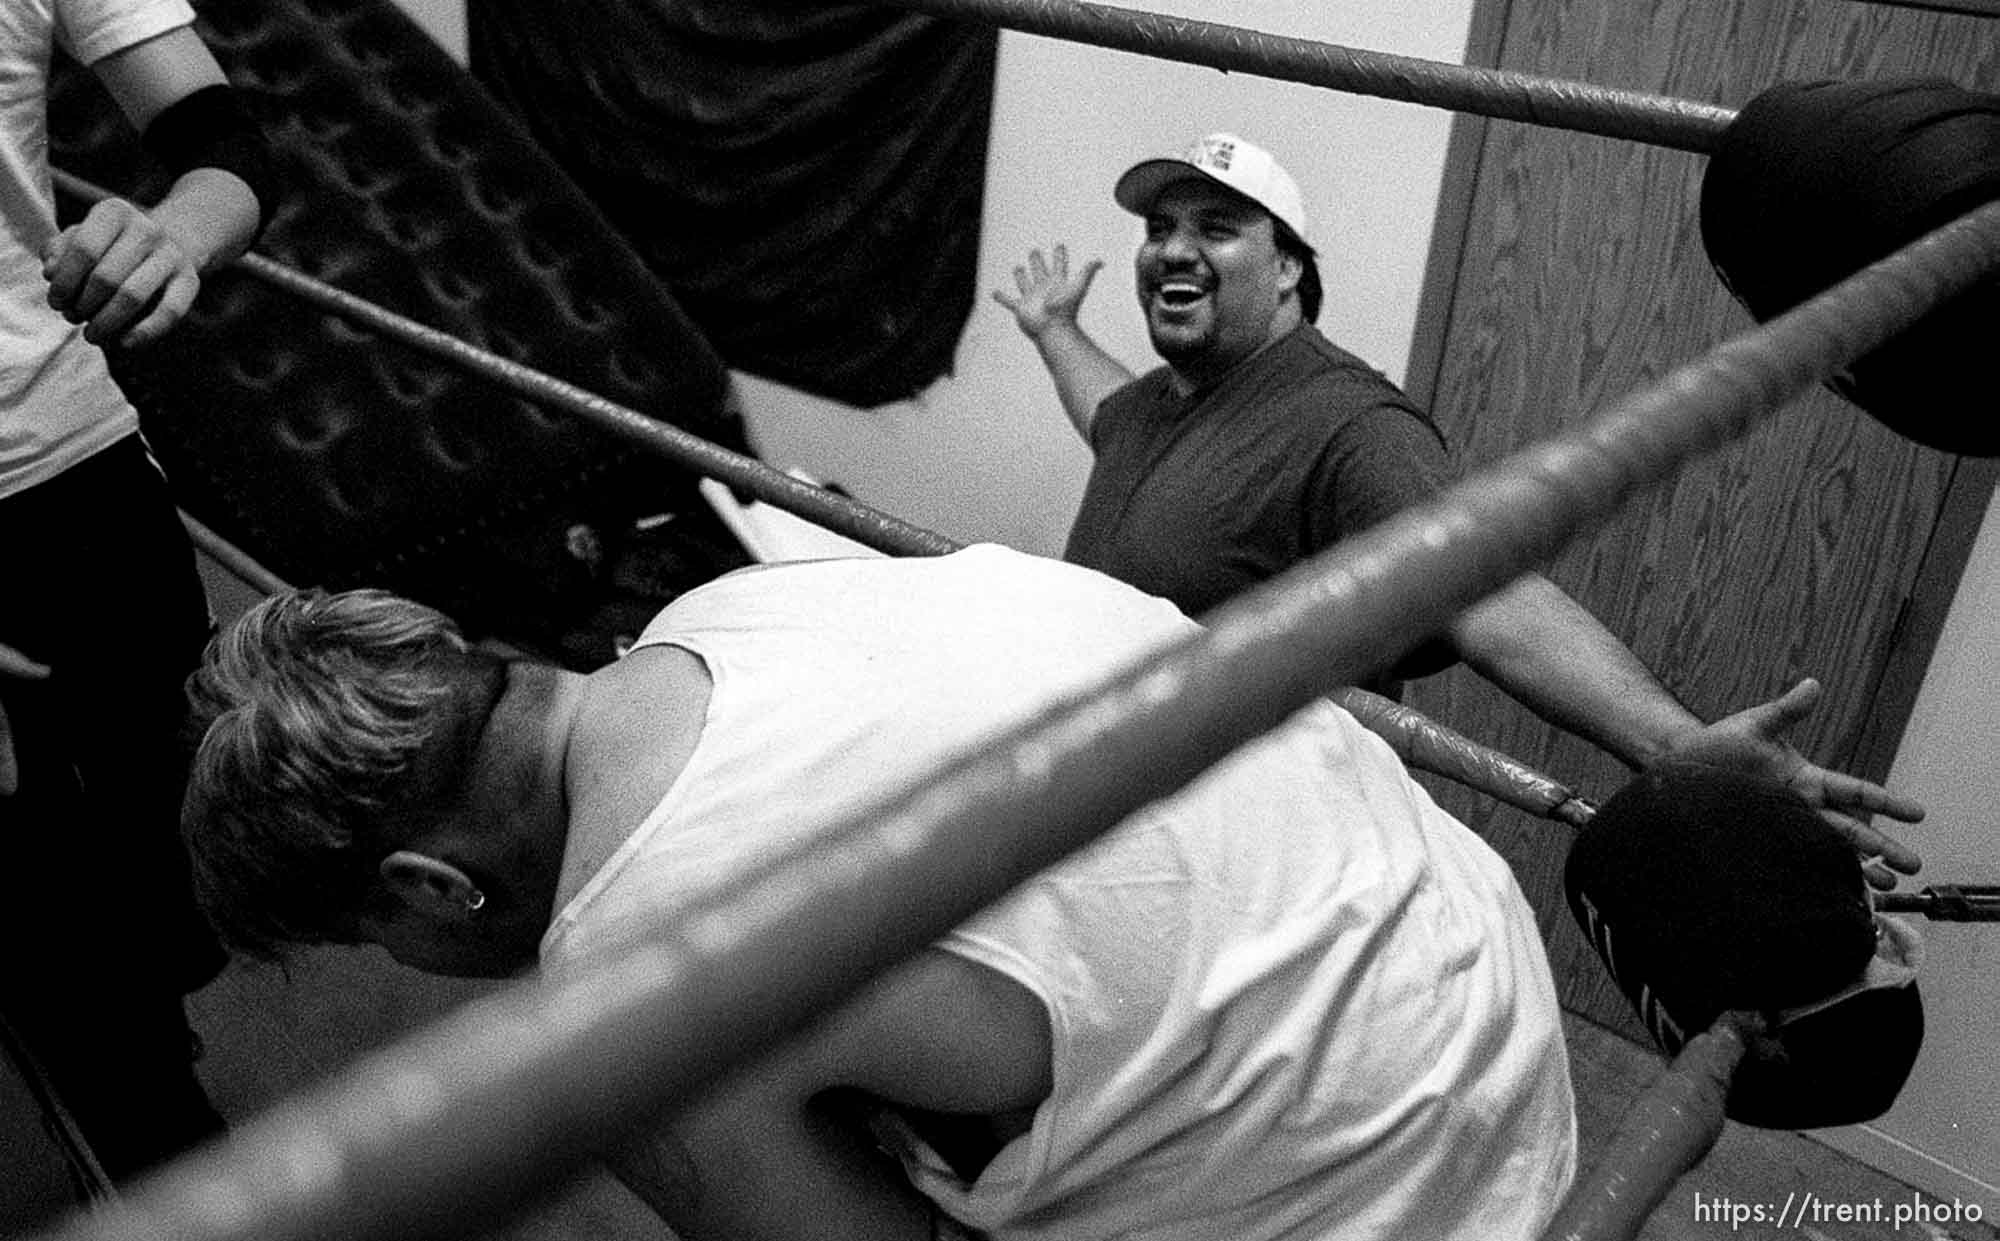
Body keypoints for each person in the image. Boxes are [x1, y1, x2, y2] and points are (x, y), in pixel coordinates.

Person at [181, 546, 1582, 1240]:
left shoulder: (626, 981)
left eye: (375, 936)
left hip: (1404, 1183)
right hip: (1481, 958)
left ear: (431, 885)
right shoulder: (727, 606)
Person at [995, 133, 1923, 822]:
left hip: (1238, 830)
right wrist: (1054, 334)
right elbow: (1108, 421)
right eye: (1160, 228)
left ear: (1286, 270)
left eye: (1218, 228)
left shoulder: (1346, 421)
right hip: (1108, 793)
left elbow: (1489, 590)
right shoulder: (1165, 400)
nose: (1172, 248)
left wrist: (1677, 748)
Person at [0, 0, 271, 1184]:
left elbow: (228, 145)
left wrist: (176, 233)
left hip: (76, 466)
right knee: (49, 933)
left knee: (180, 880)